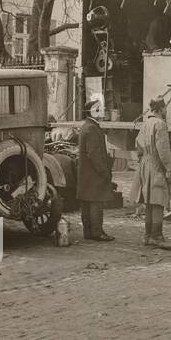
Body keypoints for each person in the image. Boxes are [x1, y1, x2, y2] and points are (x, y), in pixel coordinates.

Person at [135, 96, 171, 250]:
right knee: (158, 201)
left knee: (149, 202)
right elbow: (163, 150)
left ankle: (147, 236)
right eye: (165, 107)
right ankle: (157, 237)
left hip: (145, 164)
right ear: (160, 109)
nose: (166, 110)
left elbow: (137, 143)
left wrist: (143, 159)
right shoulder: (160, 124)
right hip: (156, 165)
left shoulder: (146, 123)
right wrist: (170, 168)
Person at [76, 100, 116, 241]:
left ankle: (88, 232)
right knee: (96, 202)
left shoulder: (86, 126)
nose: (102, 111)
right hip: (93, 173)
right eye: (99, 109)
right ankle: (97, 232)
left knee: (87, 202)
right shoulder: (92, 128)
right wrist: (104, 171)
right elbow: (94, 153)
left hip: (86, 173)